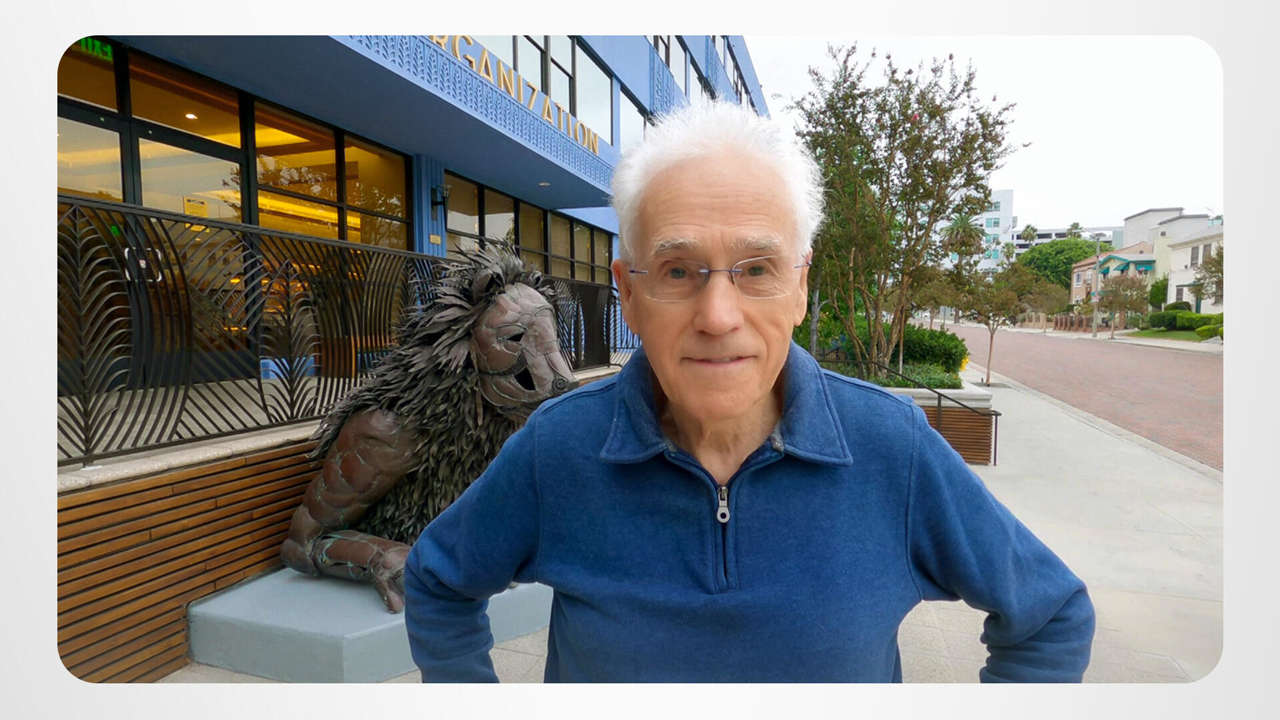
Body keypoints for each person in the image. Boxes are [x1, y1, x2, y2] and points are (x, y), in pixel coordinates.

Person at [403, 101, 1095, 682]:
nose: (717, 316)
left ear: (799, 287)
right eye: (678, 271)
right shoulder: (560, 448)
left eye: (757, 268)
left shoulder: (893, 448)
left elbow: (1051, 616)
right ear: (628, 294)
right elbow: (437, 581)